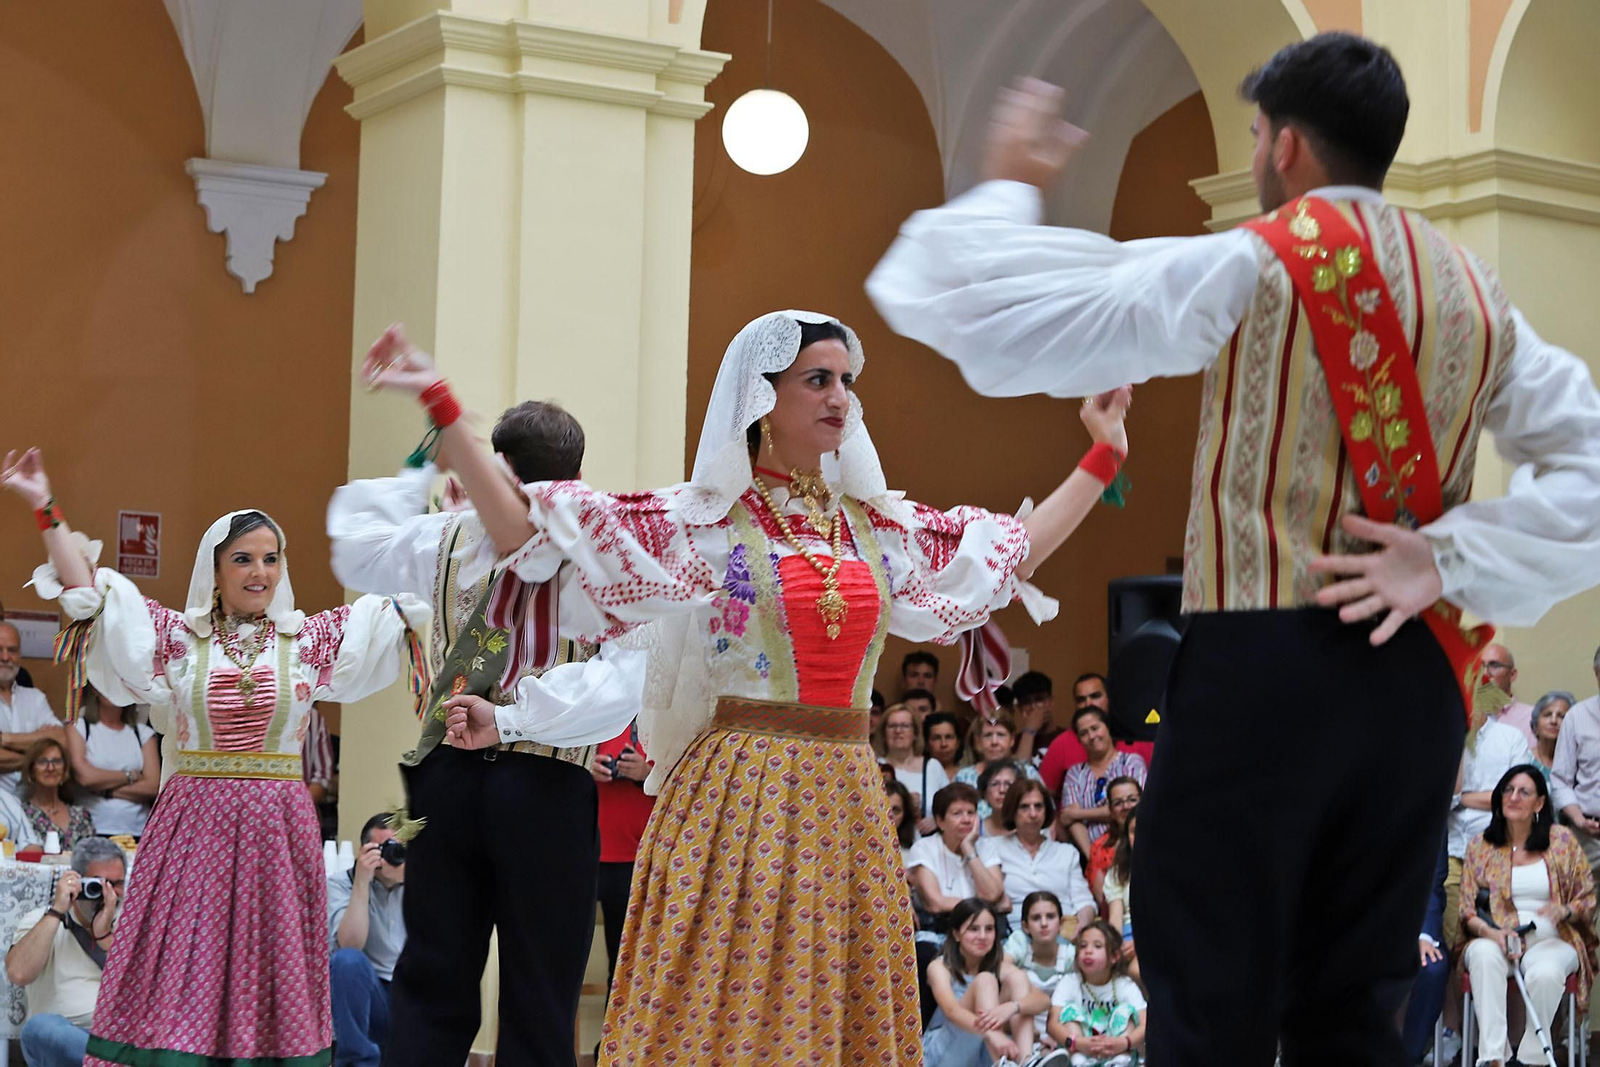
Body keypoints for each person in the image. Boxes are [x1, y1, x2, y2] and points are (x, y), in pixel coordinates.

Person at [869, 30, 1600, 1059]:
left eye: (1255, 134)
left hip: (1263, 669)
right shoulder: (1477, 292)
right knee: (1354, 997)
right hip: (1415, 684)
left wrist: (999, 185)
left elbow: (999, 319)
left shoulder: (1259, 258)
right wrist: (1450, 559)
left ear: (1286, 146)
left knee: (1208, 979)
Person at [365, 309, 1128, 1065]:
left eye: (847, 382)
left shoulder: (875, 527)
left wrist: (1103, 454)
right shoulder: (707, 522)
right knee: (729, 1015)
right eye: (817, 380)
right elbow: (525, 529)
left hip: (847, 807)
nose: (840, 397)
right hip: (739, 800)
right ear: (762, 398)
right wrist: (444, 406)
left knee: (833, 1012)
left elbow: (1012, 555)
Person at [2, 448, 430, 1067]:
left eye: (270, 558)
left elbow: (395, 606)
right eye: (244, 559)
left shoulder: (309, 640)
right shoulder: (179, 638)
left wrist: (441, 530)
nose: (260, 571)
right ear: (216, 568)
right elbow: (92, 591)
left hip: (276, 830)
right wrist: (45, 506)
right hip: (193, 827)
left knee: (270, 967)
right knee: (185, 965)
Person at [326, 388, 645, 1067]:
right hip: (547, 781)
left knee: (431, 981)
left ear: (491, 467)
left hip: (446, 780)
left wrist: (422, 461)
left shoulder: (446, 535)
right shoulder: (600, 551)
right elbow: (619, 685)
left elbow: (354, 547)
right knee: (540, 988)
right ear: (576, 478)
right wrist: (511, 719)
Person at [1459, 764, 1597, 1067]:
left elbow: (1586, 898)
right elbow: (1467, 910)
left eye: (1524, 791)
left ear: (1539, 803)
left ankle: (1532, 1060)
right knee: (1482, 956)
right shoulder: (1480, 846)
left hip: (1552, 938)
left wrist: (1565, 909)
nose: (1513, 797)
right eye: (1508, 790)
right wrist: (1494, 934)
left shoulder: (1561, 841)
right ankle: (1493, 1058)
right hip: (1495, 938)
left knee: (1545, 974)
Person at [6, 837, 126, 1067]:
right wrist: (58, 911)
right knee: (40, 1029)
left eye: (117, 883)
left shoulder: (132, 924)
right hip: (68, 1039)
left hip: (120, 1037)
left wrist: (104, 937)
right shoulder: (43, 920)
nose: (109, 892)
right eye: (99, 883)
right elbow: (19, 974)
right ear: (77, 880)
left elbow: (144, 988)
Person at [1447, 695, 1534, 947]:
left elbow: (1514, 799)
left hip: (1499, 850)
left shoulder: (1509, 738)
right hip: (1452, 850)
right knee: (1453, 942)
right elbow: (1444, 800)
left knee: (1501, 938)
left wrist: (1462, 797)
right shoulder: (1442, 736)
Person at [590, 719, 653, 1063]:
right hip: (584, 853)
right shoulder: (599, 708)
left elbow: (689, 780)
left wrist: (646, 772)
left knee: (625, 967)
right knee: (560, 958)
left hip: (638, 860)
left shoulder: (659, 718)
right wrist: (586, 767)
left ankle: (614, 1051)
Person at [923, 897, 1044, 1067]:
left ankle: (1026, 1061)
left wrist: (1012, 1007)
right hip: (941, 1054)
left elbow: (1042, 1001)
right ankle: (1000, 1063)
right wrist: (989, 1033)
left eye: (989, 929)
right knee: (985, 980)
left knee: (1017, 978)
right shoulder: (940, 966)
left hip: (981, 1051)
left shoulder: (1000, 967)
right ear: (957, 934)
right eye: (973, 929)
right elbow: (951, 1010)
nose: (982, 936)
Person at [329, 813, 408, 1067]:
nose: (397, 856)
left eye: (402, 847)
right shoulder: (342, 883)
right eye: (389, 848)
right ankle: (357, 1062)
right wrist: (362, 881)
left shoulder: (427, 885)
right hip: (371, 997)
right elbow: (350, 945)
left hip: (412, 998)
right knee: (347, 962)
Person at [980, 779, 1096, 937]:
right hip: (1013, 935)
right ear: (1012, 811)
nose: (1033, 814)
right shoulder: (992, 847)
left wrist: (1081, 926)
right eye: (1024, 807)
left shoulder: (1067, 852)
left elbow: (1084, 902)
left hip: (1063, 934)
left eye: (1038, 806)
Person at [1042, 920, 1147, 1067]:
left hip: (1119, 1050)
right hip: (1079, 1049)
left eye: (1097, 946)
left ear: (1114, 957)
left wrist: (1124, 1043)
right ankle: (1080, 1063)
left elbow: (1145, 1024)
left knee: (1125, 1011)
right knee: (1069, 1011)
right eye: (1083, 946)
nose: (1088, 951)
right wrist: (1077, 1043)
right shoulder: (1070, 982)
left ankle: (1119, 1063)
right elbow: (1052, 1024)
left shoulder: (1124, 984)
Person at [65, 689, 158, 840]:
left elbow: (153, 787)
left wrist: (106, 791)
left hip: (136, 831)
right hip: (92, 828)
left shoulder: (143, 734)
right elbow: (85, 777)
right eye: (106, 682)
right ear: (95, 690)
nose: (112, 688)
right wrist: (131, 775)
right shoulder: (79, 726)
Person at [1057, 709, 1147, 857]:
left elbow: (1134, 809)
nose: (1091, 736)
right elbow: (1069, 820)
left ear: (1107, 727)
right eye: (1083, 733)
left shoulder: (1131, 762)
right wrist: (1093, 857)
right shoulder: (1075, 774)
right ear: (1079, 740)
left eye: (1095, 728)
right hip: (1089, 854)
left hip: (1131, 852)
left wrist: (1079, 813)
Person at [1003, 890, 1077, 1052]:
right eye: (1036, 918)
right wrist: (1033, 994)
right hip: (1017, 1023)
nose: (1044, 923)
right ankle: (1026, 1057)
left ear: (1061, 923)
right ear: (1025, 926)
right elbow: (1002, 969)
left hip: (1056, 1029)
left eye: (1050, 917)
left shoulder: (1070, 955)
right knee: (1017, 978)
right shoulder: (1019, 942)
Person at [0, 619, 66, 799]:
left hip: (32, 811)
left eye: (12, 650)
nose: (5, 657)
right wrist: (35, 756)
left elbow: (61, 740)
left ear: (19, 655)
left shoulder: (35, 698)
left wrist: (4, 739)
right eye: (0, 649)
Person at [1553, 644, 1600, 880]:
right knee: (1579, 913)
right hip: (1587, 834)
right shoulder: (1577, 716)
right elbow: (1560, 779)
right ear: (1597, 674)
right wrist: (1580, 820)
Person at [956, 711, 1043, 819]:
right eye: (988, 735)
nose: (994, 742)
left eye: (1001, 735)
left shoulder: (1028, 774)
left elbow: (1047, 814)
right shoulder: (964, 777)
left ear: (1012, 740)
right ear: (978, 741)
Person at [883, 703, 951, 835]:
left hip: (927, 846)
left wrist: (937, 821)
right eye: (892, 726)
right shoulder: (873, 765)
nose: (898, 731)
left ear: (915, 733)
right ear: (884, 733)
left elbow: (950, 807)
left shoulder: (932, 767)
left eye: (905, 726)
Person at [19, 738, 95, 851]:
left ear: (65, 770)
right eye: (42, 762)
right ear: (31, 771)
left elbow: (94, 856)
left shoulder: (80, 815)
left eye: (57, 761)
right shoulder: (22, 815)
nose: (50, 768)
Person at [1085, 777, 1140, 913]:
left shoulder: (1161, 838)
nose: (1126, 807)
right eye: (1118, 803)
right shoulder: (1100, 847)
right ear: (1110, 809)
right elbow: (1102, 900)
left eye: (1132, 800)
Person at [1102, 811, 1141, 988]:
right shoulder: (1118, 872)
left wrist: (1140, 943)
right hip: (1126, 935)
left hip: (1157, 935)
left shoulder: (1170, 867)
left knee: (1136, 971)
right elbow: (1115, 918)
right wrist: (1115, 947)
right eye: (1134, 831)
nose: (1140, 836)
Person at [1482, 643, 1538, 749]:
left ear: (1512, 674)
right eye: (1480, 666)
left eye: (1494, 665)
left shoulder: (1532, 718)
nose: (1485, 673)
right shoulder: (1465, 715)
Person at [1531, 690, 1576, 780]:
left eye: (1561, 716)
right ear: (1535, 725)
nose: (1553, 721)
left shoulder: (1577, 764)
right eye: (1547, 715)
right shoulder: (1522, 758)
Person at [976, 759, 1021, 838]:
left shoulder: (1029, 829)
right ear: (984, 793)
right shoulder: (975, 831)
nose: (1002, 790)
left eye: (1008, 784)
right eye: (995, 784)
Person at [925, 710, 966, 781]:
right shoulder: (920, 775)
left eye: (948, 737)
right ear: (927, 744)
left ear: (958, 742)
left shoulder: (968, 776)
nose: (943, 744)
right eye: (937, 738)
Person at [885, 778, 919, 861]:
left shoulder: (915, 851)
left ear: (905, 814)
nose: (889, 815)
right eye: (885, 808)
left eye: (896, 810)